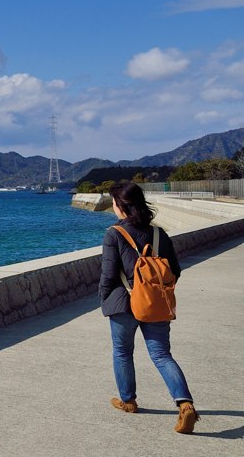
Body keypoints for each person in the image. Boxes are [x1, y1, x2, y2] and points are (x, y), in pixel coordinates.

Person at [98, 182, 198, 433]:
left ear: (121, 206)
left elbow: (108, 274)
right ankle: (185, 405)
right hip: (155, 304)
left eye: (114, 202)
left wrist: (104, 299)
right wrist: (155, 291)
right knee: (162, 355)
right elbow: (175, 270)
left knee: (122, 352)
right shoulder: (159, 234)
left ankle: (128, 401)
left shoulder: (114, 233)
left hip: (123, 303)